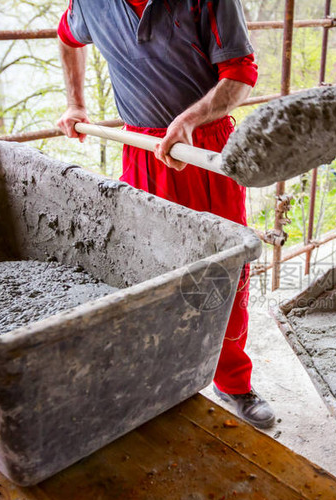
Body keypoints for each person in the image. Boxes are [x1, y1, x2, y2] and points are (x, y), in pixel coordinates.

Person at [55, 0, 276, 429]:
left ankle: (231, 381)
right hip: (140, 150)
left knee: (220, 271)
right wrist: (75, 104)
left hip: (205, 148)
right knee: (147, 269)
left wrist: (193, 118)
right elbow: (67, 38)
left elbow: (240, 72)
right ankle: (162, 376)